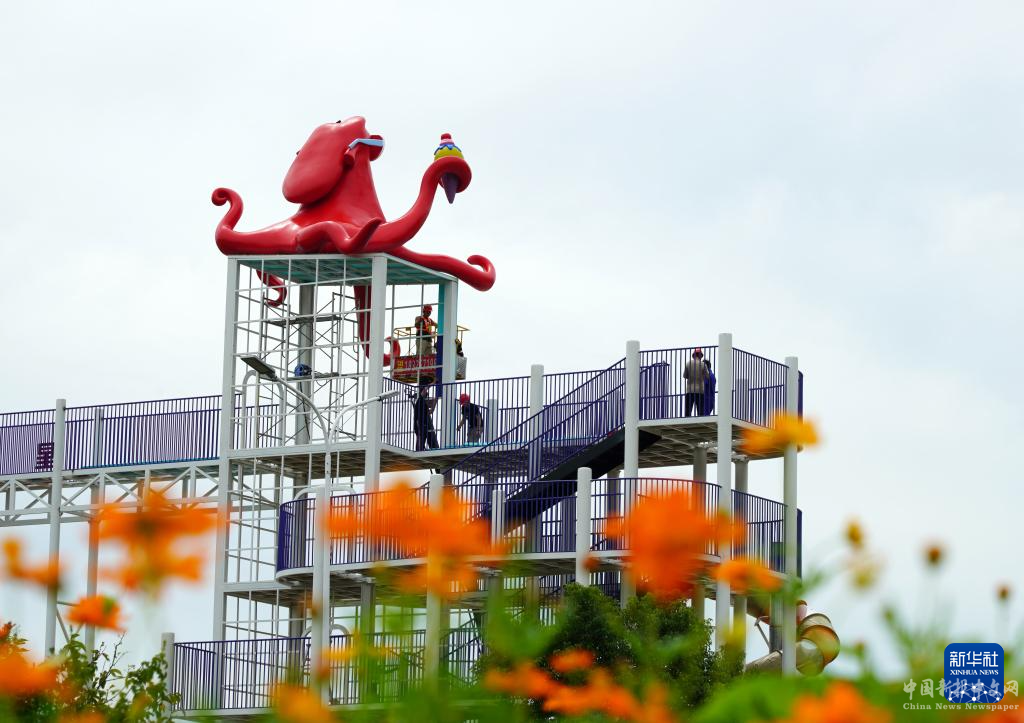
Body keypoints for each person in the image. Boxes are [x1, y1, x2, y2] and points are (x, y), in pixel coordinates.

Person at [410, 385, 439, 450]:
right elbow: (424, 390)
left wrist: (435, 401)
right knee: (420, 437)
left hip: (423, 424)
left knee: (422, 438)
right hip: (420, 424)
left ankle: (421, 449)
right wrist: (433, 383)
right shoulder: (420, 400)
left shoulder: (423, 404)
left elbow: (430, 412)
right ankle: (419, 450)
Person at [682, 348, 708, 417]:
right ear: (701, 356)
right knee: (700, 411)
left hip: (690, 390)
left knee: (688, 410)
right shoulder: (703, 364)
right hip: (700, 391)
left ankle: (687, 420)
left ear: (693, 355)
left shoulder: (688, 364)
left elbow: (685, 376)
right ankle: (700, 421)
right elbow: (707, 376)